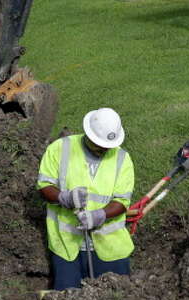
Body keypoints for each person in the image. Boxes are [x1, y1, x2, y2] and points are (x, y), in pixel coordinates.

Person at [37, 108, 136, 290]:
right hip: (67, 247)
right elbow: (44, 187)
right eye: (99, 145)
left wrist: (100, 215)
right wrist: (63, 197)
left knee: (117, 299)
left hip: (109, 248)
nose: (103, 149)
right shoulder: (60, 148)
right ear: (89, 134)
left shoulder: (122, 159)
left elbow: (122, 201)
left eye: (107, 146)